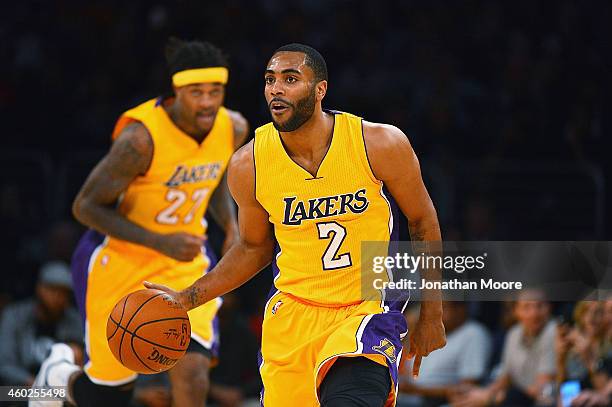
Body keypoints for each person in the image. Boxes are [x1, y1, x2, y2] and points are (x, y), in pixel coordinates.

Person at [146, 43, 446, 407]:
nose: (276, 88)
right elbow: (253, 249)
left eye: (290, 79)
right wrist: (185, 298)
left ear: (320, 90)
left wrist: (432, 311)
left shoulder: (378, 142)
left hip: (366, 309)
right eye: (270, 80)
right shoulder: (249, 164)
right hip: (291, 316)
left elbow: (422, 220)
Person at [30, 38, 248, 407]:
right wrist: (160, 241)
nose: (208, 102)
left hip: (183, 264)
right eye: (197, 92)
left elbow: (211, 181)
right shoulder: (140, 140)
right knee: (107, 396)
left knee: (193, 371)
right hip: (118, 261)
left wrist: (232, 224)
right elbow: (85, 207)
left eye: (215, 91)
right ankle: (59, 376)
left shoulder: (234, 127)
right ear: (176, 91)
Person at [451, 289, 557, 407]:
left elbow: (542, 388)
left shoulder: (553, 332)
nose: (534, 313)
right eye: (526, 307)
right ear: (516, 311)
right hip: (516, 398)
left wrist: (492, 398)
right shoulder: (514, 333)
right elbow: (506, 376)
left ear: (549, 307)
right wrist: (484, 393)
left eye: (540, 306)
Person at [0, 261, 82, 386]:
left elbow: (83, 365)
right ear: (39, 288)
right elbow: (4, 365)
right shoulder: (15, 316)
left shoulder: (74, 320)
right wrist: (36, 385)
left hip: (59, 390)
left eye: (64, 292)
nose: (58, 297)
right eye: (53, 289)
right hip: (19, 391)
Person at [397, 301, 492, 407]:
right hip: (407, 398)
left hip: (439, 402)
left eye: (442, 308)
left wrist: (417, 390)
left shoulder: (473, 333)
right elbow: (406, 376)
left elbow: (467, 389)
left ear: (460, 310)